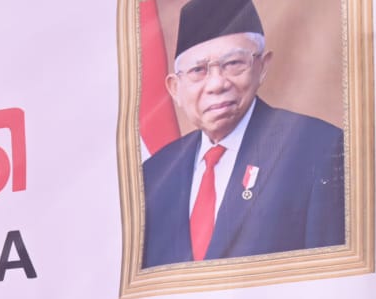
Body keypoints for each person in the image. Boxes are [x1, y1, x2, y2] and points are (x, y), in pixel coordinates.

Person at [141, 0, 346, 268]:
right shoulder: (154, 174)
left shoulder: (320, 149)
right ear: (175, 88)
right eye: (198, 70)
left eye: (233, 63)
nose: (217, 84)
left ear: (262, 66)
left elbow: (331, 279)